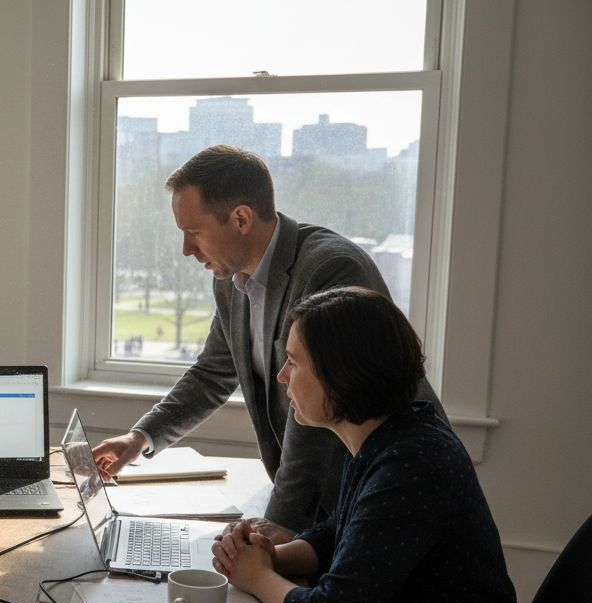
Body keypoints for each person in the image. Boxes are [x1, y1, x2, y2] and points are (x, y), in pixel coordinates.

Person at [212, 287, 539, 603]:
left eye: (294, 362)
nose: (282, 376)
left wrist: (257, 577)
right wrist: (269, 555)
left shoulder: (411, 465)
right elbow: (338, 533)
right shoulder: (390, 435)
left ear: (341, 374)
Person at [92, 145, 441, 542]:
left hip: (382, 494)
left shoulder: (330, 270)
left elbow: (319, 408)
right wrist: (139, 438)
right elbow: (211, 374)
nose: (186, 250)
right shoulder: (231, 279)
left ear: (241, 218)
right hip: (321, 511)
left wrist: (277, 527)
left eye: (193, 233)